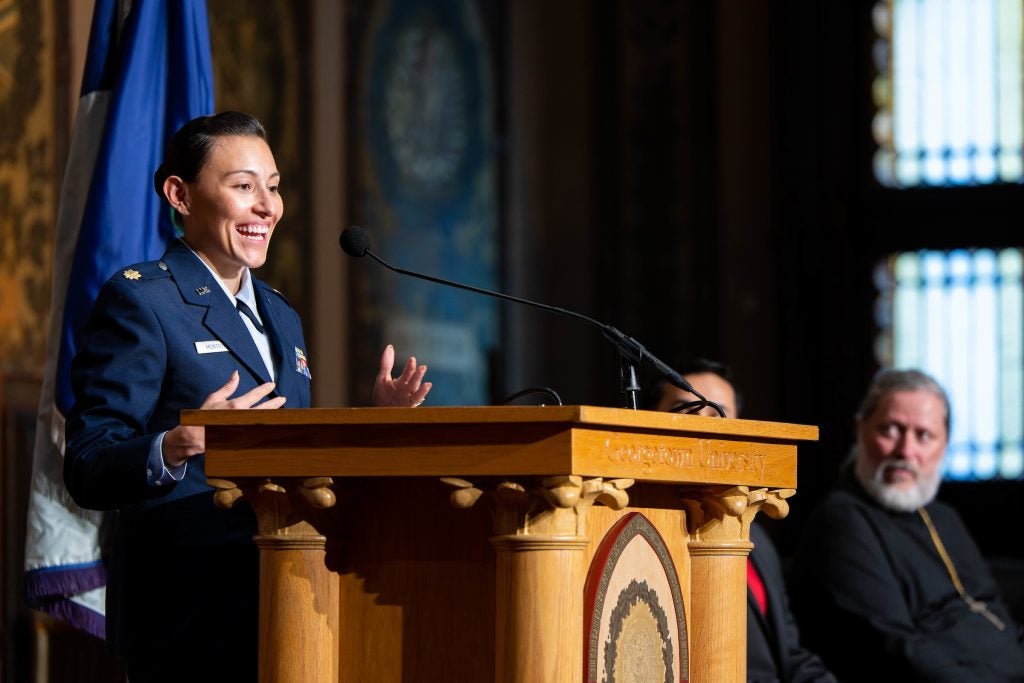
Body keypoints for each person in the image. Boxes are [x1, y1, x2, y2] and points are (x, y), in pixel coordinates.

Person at [62, 111, 432, 681]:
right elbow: (87, 465)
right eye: (243, 187)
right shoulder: (143, 302)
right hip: (188, 618)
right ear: (180, 194)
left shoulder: (280, 315)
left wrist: (375, 429)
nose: (268, 207)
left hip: (290, 601)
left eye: (274, 187)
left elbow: (294, 461)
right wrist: (177, 445)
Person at [790, 368, 1024, 682]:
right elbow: (894, 648)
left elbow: (991, 609)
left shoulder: (943, 516)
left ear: (944, 445)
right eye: (890, 430)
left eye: (923, 435)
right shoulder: (840, 521)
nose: (905, 451)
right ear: (861, 430)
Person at [650, 359, 836, 683]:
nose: (702, 425)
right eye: (686, 409)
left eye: (717, 412)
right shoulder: (648, 536)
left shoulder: (756, 537)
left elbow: (790, 655)